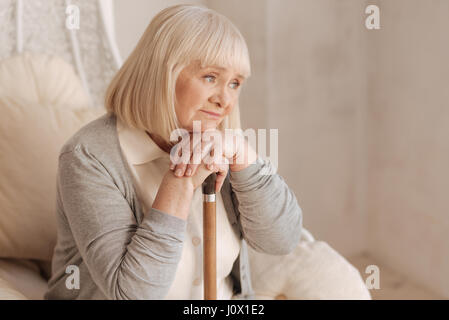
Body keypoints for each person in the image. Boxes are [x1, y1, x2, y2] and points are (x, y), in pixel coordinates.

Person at [44, 4, 302, 300]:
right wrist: (182, 176)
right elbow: (134, 293)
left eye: (235, 83)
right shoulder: (87, 156)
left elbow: (282, 241)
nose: (225, 100)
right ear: (162, 74)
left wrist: (242, 154)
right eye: (210, 77)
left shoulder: (221, 143)